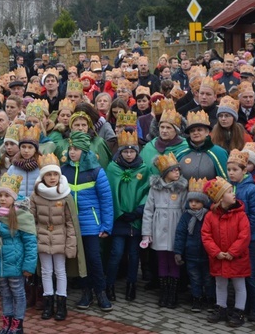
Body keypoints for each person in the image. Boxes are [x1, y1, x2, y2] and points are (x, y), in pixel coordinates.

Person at [61, 131, 113, 312]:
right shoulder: (63, 171)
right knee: (79, 262)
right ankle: (86, 293)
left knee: (93, 259)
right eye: (70, 149)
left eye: (76, 149)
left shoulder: (96, 171)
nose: (72, 152)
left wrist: (106, 225)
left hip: (91, 224)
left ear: (84, 150)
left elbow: (106, 200)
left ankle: (101, 293)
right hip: (71, 225)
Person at [0, 174, 38, 334]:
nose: (3, 199)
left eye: (7, 196)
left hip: (16, 264)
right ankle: (7, 323)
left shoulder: (22, 216)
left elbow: (31, 244)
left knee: (18, 293)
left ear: (14, 197)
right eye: (0, 195)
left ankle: (17, 324)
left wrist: (28, 266)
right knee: (5, 294)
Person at [104, 128, 156, 303]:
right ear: (120, 152)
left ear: (137, 152)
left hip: (136, 219)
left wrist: (138, 211)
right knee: (116, 253)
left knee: (134, 255)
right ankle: (109, 285)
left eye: (131, 151)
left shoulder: (144, 168)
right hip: (120, 219)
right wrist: (119, 212)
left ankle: (131, 284)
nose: (128, 155)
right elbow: (109, 191)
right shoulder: (113, 168)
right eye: (125, 151)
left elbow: (147, 192)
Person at [29, 154, 79, 321]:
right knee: (45, 271)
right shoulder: (36, 195)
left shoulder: (65, 195)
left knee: (60, 271)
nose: (52, 178)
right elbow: (31, 219)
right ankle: (48, 301)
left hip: (60, 238)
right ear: (43, 176)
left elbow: (70, 223)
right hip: (42, 238)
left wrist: (71, 244)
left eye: (55, 174)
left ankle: (61, 303)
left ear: (59, 176)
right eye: (48, 175)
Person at [202, 177, 251, 327]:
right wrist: (216, 252)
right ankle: (221, 307)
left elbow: (244, 235)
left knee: (239, 285)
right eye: (229, 192)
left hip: (237, 258)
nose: (233, 193)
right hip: (219, 257)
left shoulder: (240, 215)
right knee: (220, 284)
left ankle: (239, 311)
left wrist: (232, 252)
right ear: (220, 198)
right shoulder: (210, 216)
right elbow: (206, 235)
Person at [141, 152, 188, 309]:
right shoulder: (155, 188)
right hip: (159, 228)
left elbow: (185, 211)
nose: (177, 173)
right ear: (165, 173)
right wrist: (147, 234)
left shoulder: (182, 189)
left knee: (175, 261)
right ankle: (164, 292)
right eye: (173, 170)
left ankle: (173, 293)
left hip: (175, 229)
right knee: (162, 260)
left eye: (178, 170)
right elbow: (148, 211)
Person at [226, 149, 255, 322]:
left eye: (235, 170)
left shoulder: (252, 190)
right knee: (238, 274)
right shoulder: (228, 189)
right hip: (233, 240)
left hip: (251, 239)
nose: (231, 173)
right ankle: (243, 305)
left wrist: (242, 231)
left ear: (244, 171)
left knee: (252, 273)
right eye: (229, 170)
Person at [174, 177, 212, 313]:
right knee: (194, 278)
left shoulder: (209, 216)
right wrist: (178, 252)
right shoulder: (186, 216)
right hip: (191, 254)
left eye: (197, 201)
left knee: (208, 279)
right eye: (191, 201)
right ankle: (196, 298)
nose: (193, 204)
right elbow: (180, 234)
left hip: (207, 255)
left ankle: (210, 299)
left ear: (203, 202)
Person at [5, 125, 41, 199]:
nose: (26, 151)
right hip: (17, 205)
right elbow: (6, 188)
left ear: (35, 150)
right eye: (23, 147)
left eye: (30, 147)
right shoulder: (13, 168)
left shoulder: (41, 167)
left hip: (36, 205)